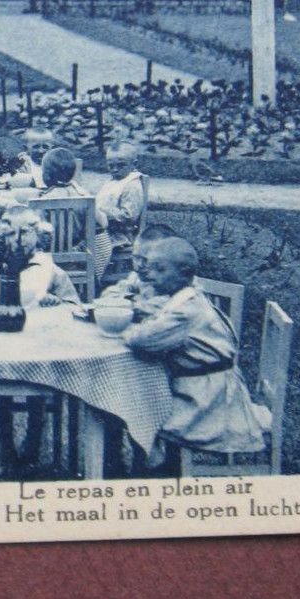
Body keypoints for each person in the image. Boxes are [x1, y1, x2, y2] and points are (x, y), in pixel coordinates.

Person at [121, 237, 271, 456]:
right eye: (152, 268)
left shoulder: (186, 313)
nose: (150, 275)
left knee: (130, 405)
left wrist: (126, 329)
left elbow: (142, 340)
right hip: (211, 387)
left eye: (160, 270)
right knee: (138, 396)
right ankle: (152, 460)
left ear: (183, 273)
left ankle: (151, 461)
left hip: (209, 402)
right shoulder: (191, 297)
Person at [0, 206, 79, 310]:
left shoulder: (50, 270)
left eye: (24, 232)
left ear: (38, 234)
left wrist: (56, 302)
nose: (18, 240)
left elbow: (73, 305)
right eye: (11, 233)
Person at [38, 146, 112, 278]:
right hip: (77, 255)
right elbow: (103, 222)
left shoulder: (43, 200)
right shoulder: (83, 196)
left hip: (49, 257)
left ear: (47, 175)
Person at [96, 142, 146, 287]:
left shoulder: (132, 185)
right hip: (105, 230)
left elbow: (129, 216)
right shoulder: (114, 181)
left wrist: (103, 212)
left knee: (88, 244)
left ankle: (94, 277)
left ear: (133, 164)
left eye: (121, 165)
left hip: (120, 235)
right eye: (110, 165)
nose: (115, 169)